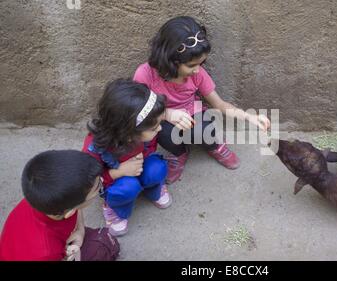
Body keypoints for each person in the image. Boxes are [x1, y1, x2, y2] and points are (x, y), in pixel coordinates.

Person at [134, 16, 271, 184]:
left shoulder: (198, 75)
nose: (198, 70)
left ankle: (215, 146)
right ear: (170, 60)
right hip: (162, 119)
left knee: (207, 128)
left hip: (194, 115)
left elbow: (219, 104)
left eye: (201, 63)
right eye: (192, 65)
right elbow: (138, 109)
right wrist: (167, 114)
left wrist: (249, 117)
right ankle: (179, 153)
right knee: (162, 132)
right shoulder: (145, 75)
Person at [82, 79, 168, 236]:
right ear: (128, 133)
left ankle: (152, 188)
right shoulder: (95, 147)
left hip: (140, 165)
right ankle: (115, 208)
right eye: (155, 127)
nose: (160, 129)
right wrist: (118, 172)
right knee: (128, 187)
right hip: (115, 179)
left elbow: (150, 149)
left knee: (157, 169)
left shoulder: (146, 133)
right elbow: (90, 180)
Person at [0, 150, 119, 261]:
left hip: (60, 240)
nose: (101, 182)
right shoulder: (46, 252)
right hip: (44, 252)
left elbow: (76, 205)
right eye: (98, 187)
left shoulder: (44, 197)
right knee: (102, 247)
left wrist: (80, 230)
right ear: (69, 212)